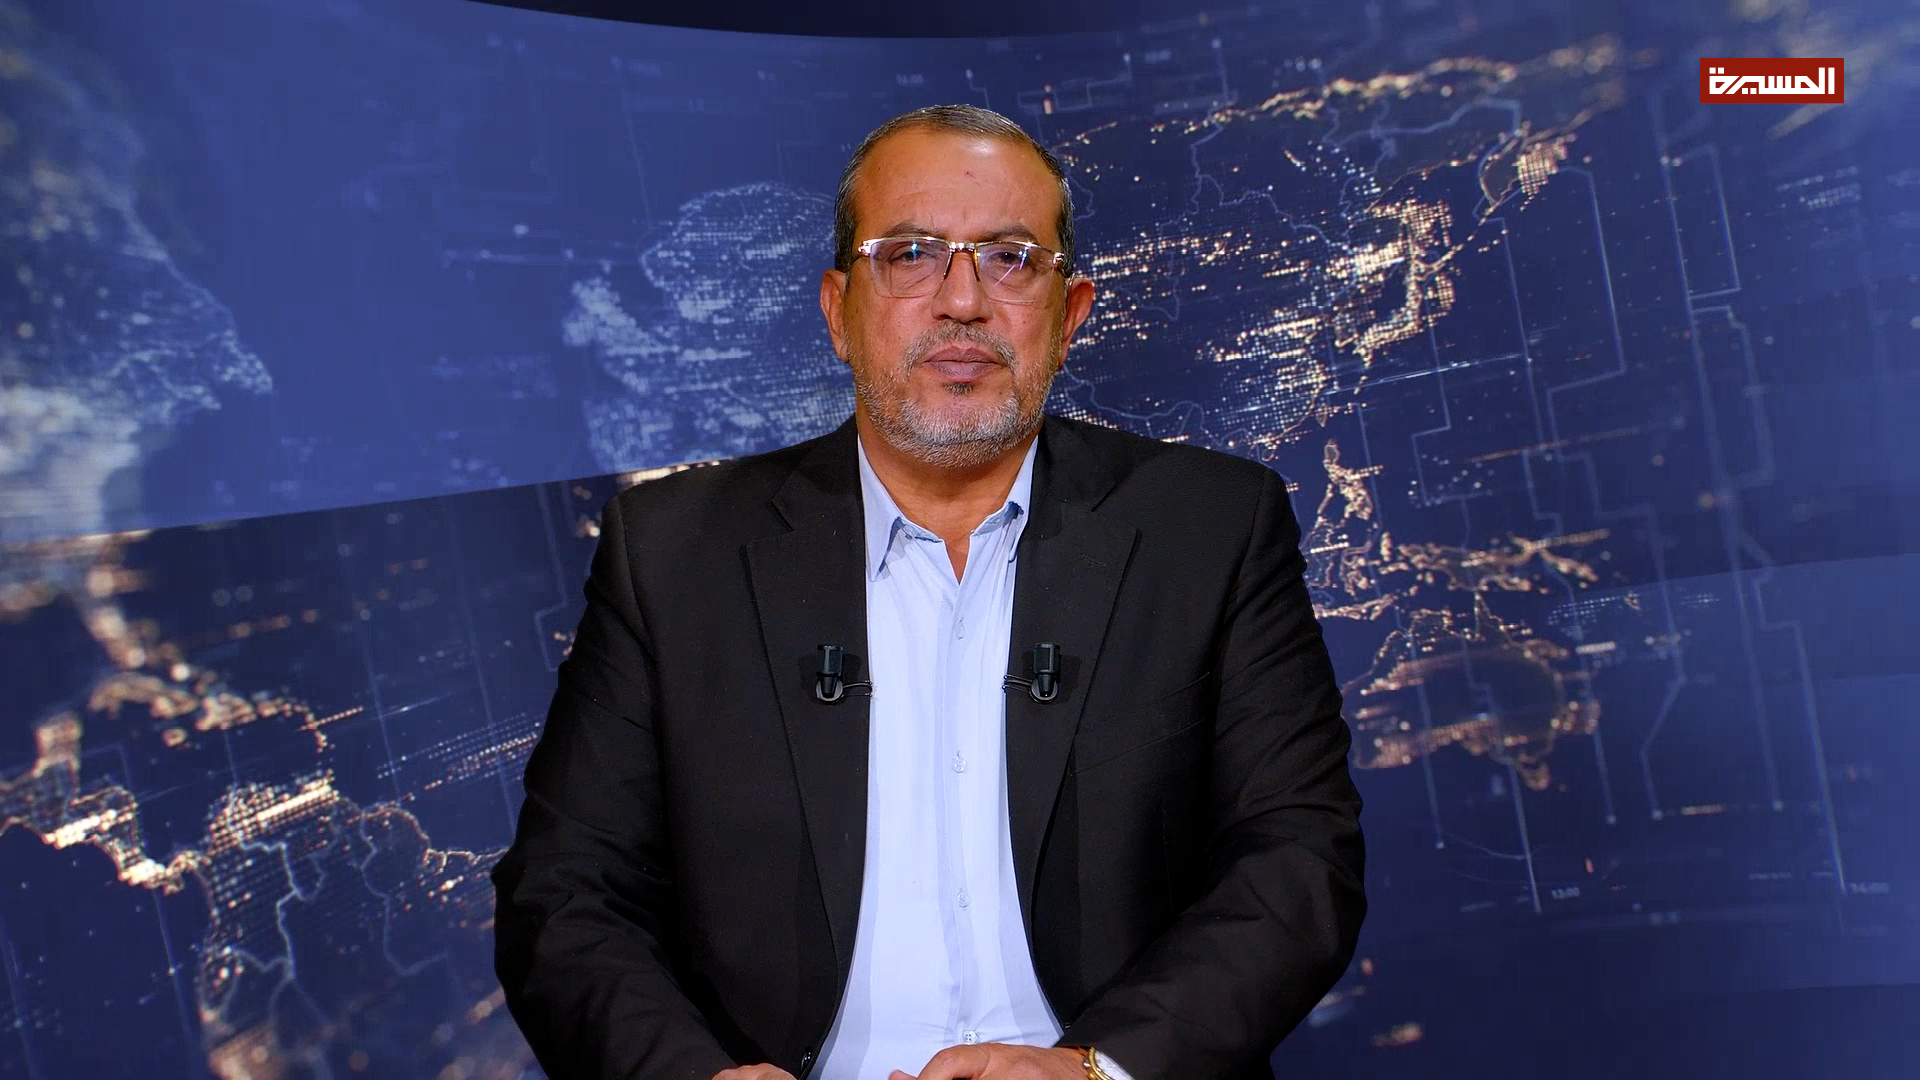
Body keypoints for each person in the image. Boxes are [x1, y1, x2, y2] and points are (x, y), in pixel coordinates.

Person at [490, 104, 1366, 1080]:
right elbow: (566, 897)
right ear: (838, 311)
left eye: (1010, 259)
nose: (962, 301)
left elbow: (1297, 860)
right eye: (909, 254)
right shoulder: (673, 552)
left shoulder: (1210, 527)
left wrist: (1095, 1070)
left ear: (1069, 315)